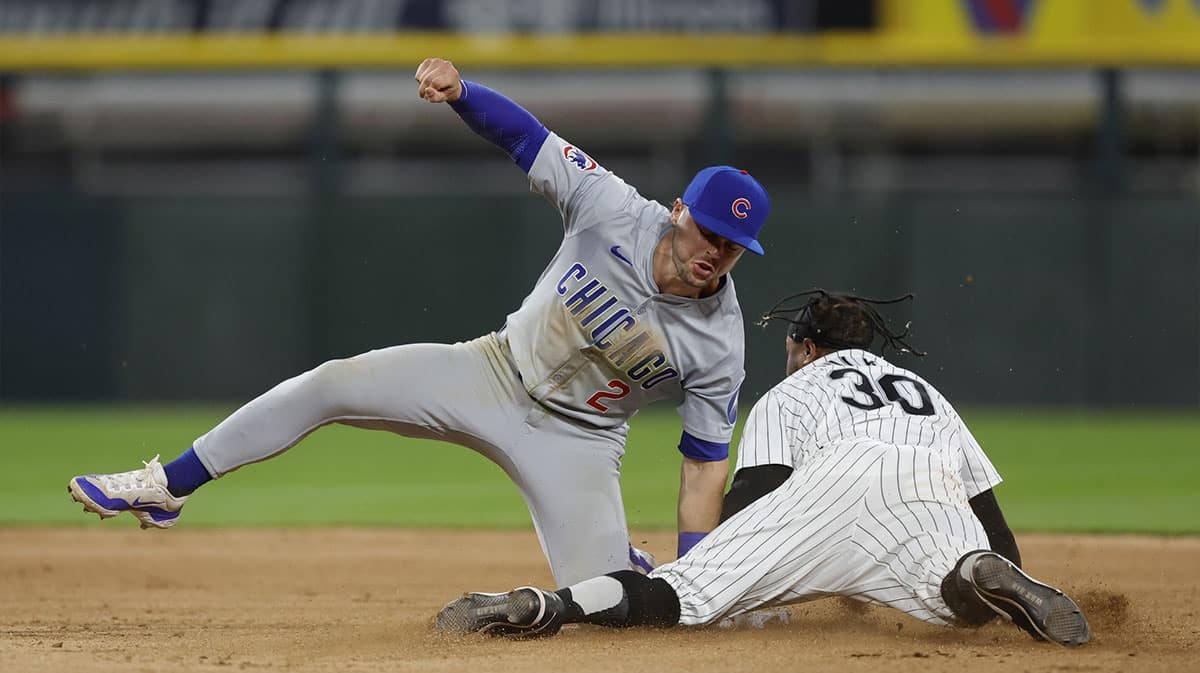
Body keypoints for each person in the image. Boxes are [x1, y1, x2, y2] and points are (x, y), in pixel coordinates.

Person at [67, 58, 771, 587]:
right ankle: (170, 486)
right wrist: (462, 94)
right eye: (708, 230)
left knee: (604, 600)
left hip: (580, 444)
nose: (716, 251)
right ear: (680, 210)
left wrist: (696, 577)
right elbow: (527, 138)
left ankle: (621, 562)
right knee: (331, 384)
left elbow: (703, 469)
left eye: (732, 245)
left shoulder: (719, 340)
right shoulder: (612, 206)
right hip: (491, 371)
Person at [434, 290, 1091, 647]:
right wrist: (986, 551)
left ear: (807, 348)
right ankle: (974, 575)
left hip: (840, 475)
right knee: (958, 600)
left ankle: (549, 604)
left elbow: (751, 502)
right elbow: (998, 528)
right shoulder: (927, 396)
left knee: (682, 595)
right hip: (933, 484)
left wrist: (725, 575)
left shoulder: (794, 390)